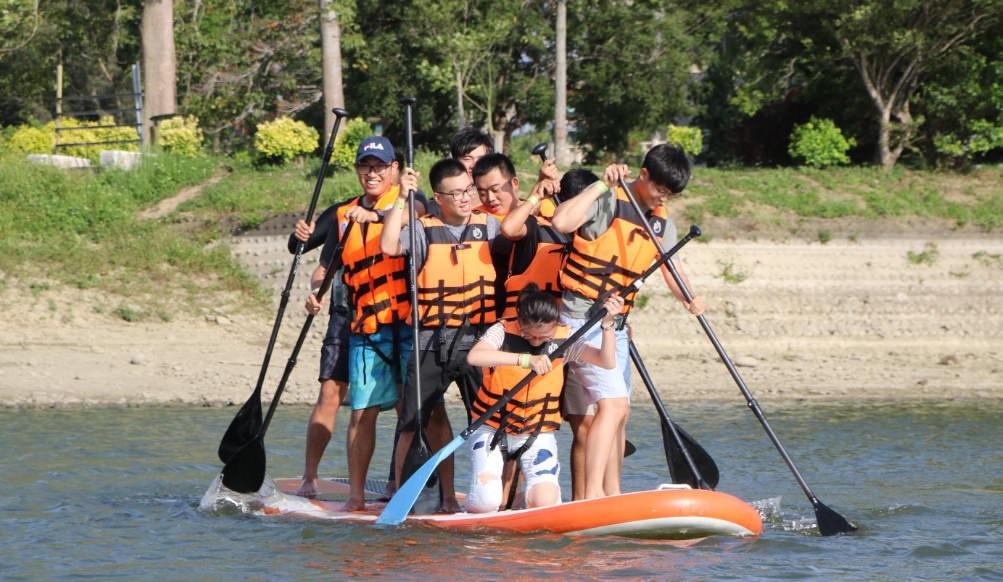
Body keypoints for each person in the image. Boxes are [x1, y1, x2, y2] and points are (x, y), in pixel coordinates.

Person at [550, 144, 706, 500]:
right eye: (659, 189)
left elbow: (671, 267)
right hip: (579, 320)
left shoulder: (662, 221)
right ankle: (591, 497)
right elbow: (561, 222)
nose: (661, 198)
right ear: (644, 174)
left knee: (621, 412)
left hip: (614, 326)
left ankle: (612, 492)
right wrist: (600, 185)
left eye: (670, 194)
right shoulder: (610, 199)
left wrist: (689, 298)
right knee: (612, 405)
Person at [291, 138, 426, 500]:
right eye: (365, 166)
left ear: (395, 169)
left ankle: (401, 485)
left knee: (405, 406)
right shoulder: (343, 213)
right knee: (346, 403)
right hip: (360, 320)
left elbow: (418, 221)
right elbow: (324, 265)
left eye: (379, 166)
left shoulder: (413, 201)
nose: (372, 173)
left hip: (403, 321)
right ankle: (334, 488)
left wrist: (378, 216)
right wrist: (316, 291)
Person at [380, 158, 504, 513]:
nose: (466, 199)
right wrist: (401, 198)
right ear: (438, 197)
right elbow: (389, 246)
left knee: (491, 422)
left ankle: (503, 497)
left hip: (478, 343)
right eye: (456, 194)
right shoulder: (422, 228)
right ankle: (425, 496)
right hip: (431, 343)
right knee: (413, 423)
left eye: (468, 190)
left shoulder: (489, 226)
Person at [464, 286, 624, 513]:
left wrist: (608, 324)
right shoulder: (501, 331)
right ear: (520, 323)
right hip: (492, 430)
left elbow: (606, 361)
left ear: (555, 326)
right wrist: (526, 360)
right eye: (530, 335)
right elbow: (475, 356)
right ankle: (478, 502)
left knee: (545, 502)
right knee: (486, 503)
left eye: (544, 337)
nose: (537, 341)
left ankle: (524, 504)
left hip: (536, 433)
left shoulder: (565, 338)